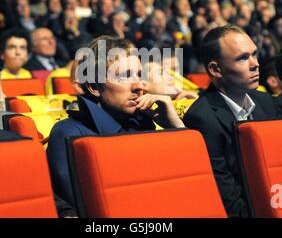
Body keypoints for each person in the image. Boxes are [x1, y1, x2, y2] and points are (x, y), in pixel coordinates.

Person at [46, 36, 185, 215]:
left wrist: (176, 127)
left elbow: (186, 185)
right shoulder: (69, 134)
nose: (139, 85)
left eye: (139, 75)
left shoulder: (141, 123)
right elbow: (89, 209)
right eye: (124, 76)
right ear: (94, 87)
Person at [183, 24, 277, 218]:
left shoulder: (266, 102)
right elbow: (228, 198)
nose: (255, 64)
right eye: (243, 58)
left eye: (254, 54)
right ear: (216, 69)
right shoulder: (202, 118)